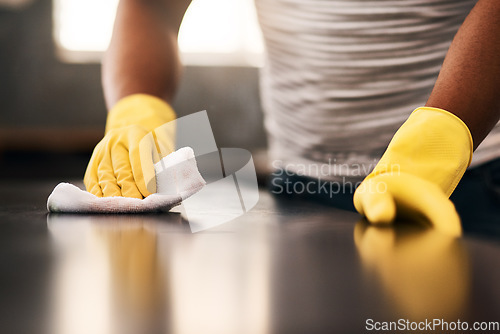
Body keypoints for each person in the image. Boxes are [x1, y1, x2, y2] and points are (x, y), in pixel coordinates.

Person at [84, 0, 500, 235]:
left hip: (465, 184)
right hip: (300, 186)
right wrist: (136, 109)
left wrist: (436, 146)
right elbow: (153, 9)